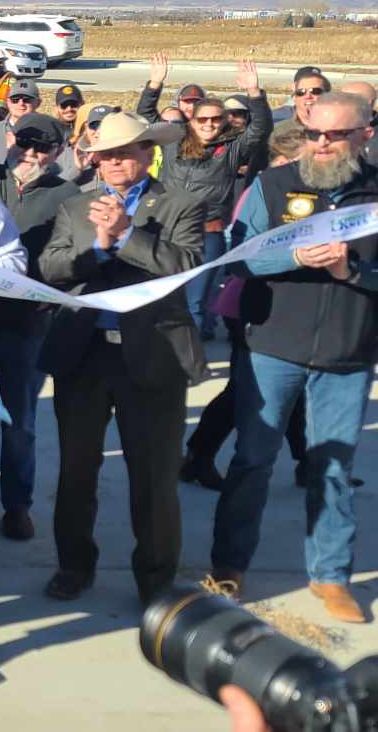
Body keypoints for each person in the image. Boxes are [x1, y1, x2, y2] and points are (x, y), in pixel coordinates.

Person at [210, 92, 378, 624]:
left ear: (364, 136)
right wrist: (294, 256)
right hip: (272, 346)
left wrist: (349, 272)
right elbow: (240, 255)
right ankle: (229, 566)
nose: (322, 144)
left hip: (347, 353)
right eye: (313, 134)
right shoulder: (273, 184)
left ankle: (330, 576)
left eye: (335, 135)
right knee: (252, 460)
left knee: (331, 466)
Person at [38, 112, 204, 606]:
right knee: (76, 472)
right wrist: (99, 247)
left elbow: (188, 266)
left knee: (153, 479)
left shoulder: (179, 205)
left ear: (148, 153)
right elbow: (51, 267)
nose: (112, 163)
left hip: (153, 357)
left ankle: (155, 582)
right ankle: (73, 565)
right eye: (105, 155)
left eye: (123, 153)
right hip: (84, 358)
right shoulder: (74, 207)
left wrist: (130, 236)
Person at [182, 125, 315, 491]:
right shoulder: (267, 190)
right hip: (247, 303)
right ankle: (198, 454)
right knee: (244, 391)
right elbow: (241, 249)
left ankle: (308, 462)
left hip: (285, 305)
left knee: (290, 390)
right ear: (284, 160)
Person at [0, 113, 82, 540]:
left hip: (28, 326)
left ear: (59, 151)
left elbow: (72, 261)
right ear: (8, 140)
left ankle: (17, 504)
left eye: (43, 147)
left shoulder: (69, 196)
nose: (31, 153)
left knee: (18, 421)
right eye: (24, 142)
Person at [162, 62, 272, 340]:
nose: (209, 124)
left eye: (215, 119)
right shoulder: (173, 143)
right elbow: (145, 116)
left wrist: (254, 92)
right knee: (164, 300)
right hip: (168, 232)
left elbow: (260, 130)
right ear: (191, 121)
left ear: (223, 121)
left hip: (207, 233)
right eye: (202, 119)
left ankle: (191, 365)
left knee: (195, 302)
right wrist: (154, 86)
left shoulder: (231, 150)